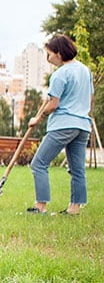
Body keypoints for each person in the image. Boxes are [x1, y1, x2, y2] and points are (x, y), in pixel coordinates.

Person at [27, 34, 94, 215]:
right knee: (77, 169)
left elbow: (53, 104)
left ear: (58, 53)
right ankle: (74, 208)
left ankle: (40, 207)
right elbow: (90, 98)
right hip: (82, 125)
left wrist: (37, 118)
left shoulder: (60, 74)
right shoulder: (85, 70)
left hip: (63, 124)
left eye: (49, 55)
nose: (48, 59)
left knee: (39, 163)